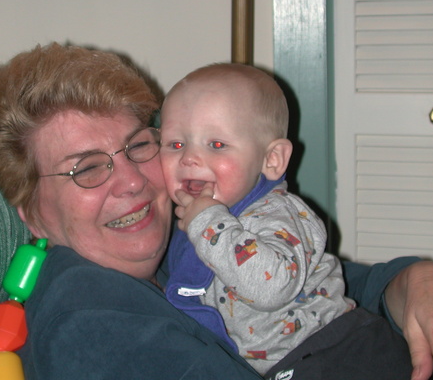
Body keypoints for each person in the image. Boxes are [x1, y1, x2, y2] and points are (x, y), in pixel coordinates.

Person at [0, 42, 433, 380]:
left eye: (140, 146)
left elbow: (323, 286)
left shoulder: (172, 241)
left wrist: (421, 278)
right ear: (32, 212)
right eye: (86, 169)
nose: (132, 181)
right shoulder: (90, 320)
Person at [159, 63, 412, 378]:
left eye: (217, 145)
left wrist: (208, 224)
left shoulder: (277, 214)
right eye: (176, 144)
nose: (188, 158)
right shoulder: (192, 223)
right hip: (285, 366)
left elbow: (271, 287)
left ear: (272, 159)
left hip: (339, 351)